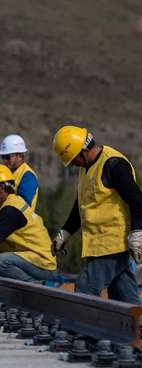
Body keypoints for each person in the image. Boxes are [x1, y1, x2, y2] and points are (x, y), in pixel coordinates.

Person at [51, 126, 142, 304]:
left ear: (83, 151)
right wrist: (65, 232)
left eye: (73, 160)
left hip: (114, 244)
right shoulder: (85, 169)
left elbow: (137, 200)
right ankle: (136, 327)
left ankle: (83, 330)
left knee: (86, 288)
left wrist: (137, 232)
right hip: (97, 245)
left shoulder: (113, 164)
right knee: (124, 300)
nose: (72, 165)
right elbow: (81, 205)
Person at [0, 134, 39, 210]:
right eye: (3, 157)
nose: (4, 160)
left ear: (20, 157)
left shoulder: (28, 176)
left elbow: (23, 206)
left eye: (7, 157)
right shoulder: (5, 174)